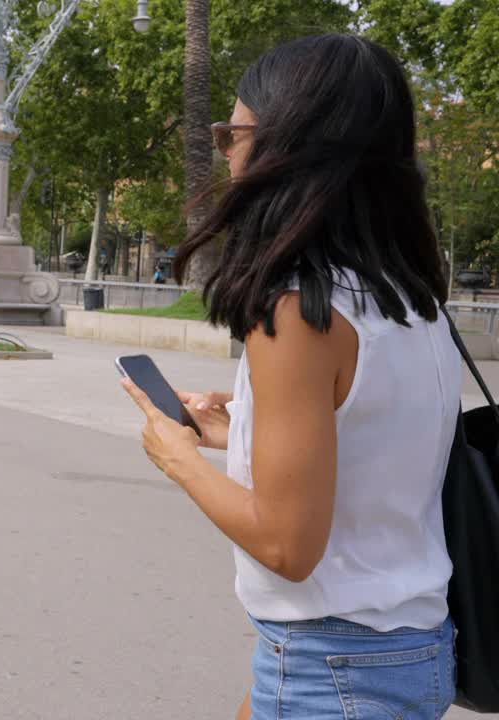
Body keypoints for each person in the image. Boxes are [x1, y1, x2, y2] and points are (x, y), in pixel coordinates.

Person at [120, 35, 458, 720]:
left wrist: (179, 459)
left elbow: (287, 545)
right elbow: (376, 444)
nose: (228, 155)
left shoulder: (299, 310)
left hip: (330, 667)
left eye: (233, 134)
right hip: (403, 649)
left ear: (285, 148)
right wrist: (243, 431)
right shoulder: (408, 294)